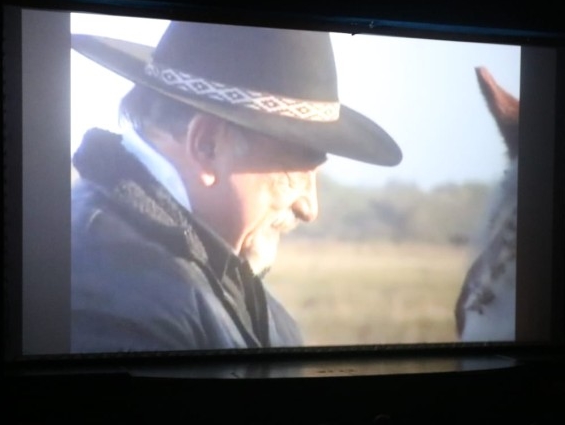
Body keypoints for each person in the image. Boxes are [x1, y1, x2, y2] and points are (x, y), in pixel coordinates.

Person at [70, 20, 402, 352]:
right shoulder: (115, 297)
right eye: (293, 172)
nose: (310, 208)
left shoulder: (191, 277)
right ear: (207, 146)